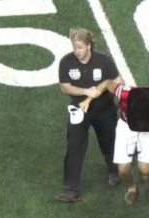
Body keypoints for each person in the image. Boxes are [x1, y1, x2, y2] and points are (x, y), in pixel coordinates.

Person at [56, 27, 121, 203]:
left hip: (105, 110)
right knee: (74, 147)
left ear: (89, 46)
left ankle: (114, 170)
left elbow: (118, 82)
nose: (76, 51)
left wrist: (102, 89)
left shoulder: (104, 61)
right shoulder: (66, 63)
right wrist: (86, 91)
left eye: (80, 47)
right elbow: (65, 86)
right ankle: (70, 189)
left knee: (110, 143)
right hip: (79, 110)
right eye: (74, 47)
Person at [79, 80, 149, 206]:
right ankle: (132, 188)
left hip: (146, 130)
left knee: (145, 169)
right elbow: (106, 83)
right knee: (123, 169)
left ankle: (144, 178)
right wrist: (87, 100)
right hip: (126, 127)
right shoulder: (125, 93)